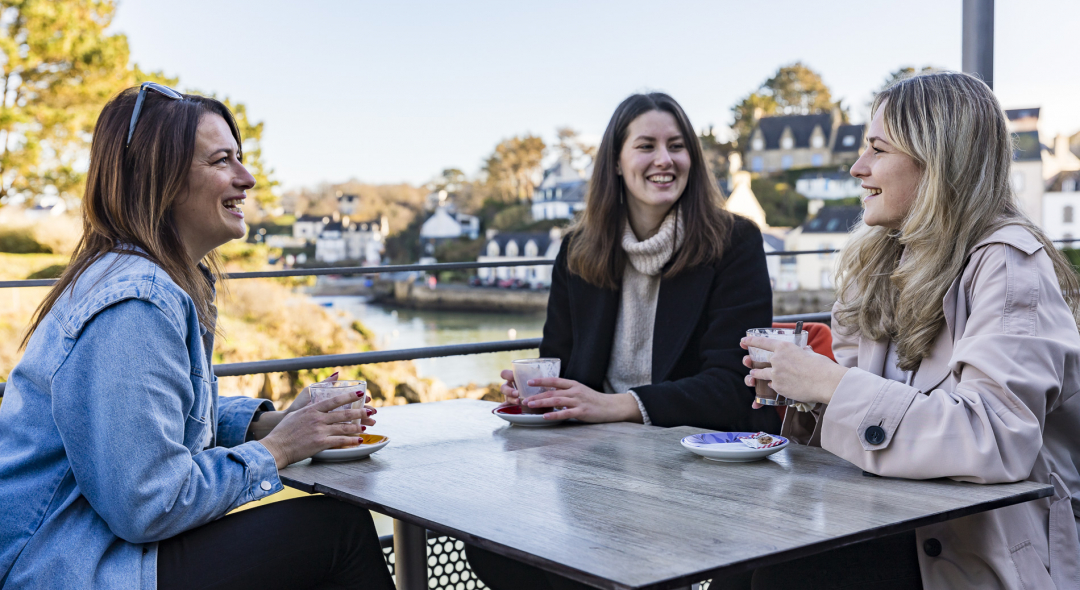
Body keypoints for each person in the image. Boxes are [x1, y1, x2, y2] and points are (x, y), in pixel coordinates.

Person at [0, 84, 395, 590]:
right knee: (336, 531)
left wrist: (270, 423)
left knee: (324, 529)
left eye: (240, 158)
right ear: (161, 180)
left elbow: (157, 417)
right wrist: (279, 450)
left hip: (94, 548)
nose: (247, 178)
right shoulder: (135, 303)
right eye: (221, 160)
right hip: (63, 567)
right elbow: (148, 503)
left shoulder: (146, 279)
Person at [742, 71, 1080, 589]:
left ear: (938, 160)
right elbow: (876, 419)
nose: (858, 168)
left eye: (877, 149)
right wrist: (807, 399)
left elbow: (994, 437)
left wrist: (829, 385)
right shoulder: (876, 264)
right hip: (887, 524)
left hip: (977, 554)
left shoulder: (1009, 266)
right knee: (752, 559)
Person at [468, 92, 778, 590]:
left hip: (701, 468)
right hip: (596, 469)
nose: (664, 160)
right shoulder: (578, 248)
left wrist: (618, 405)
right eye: (646, 145)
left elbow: (733, 389)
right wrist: (538, 395)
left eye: (677, 146)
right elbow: (561, 365)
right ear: (615, 160)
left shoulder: (733, 242)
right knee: (491, 546)